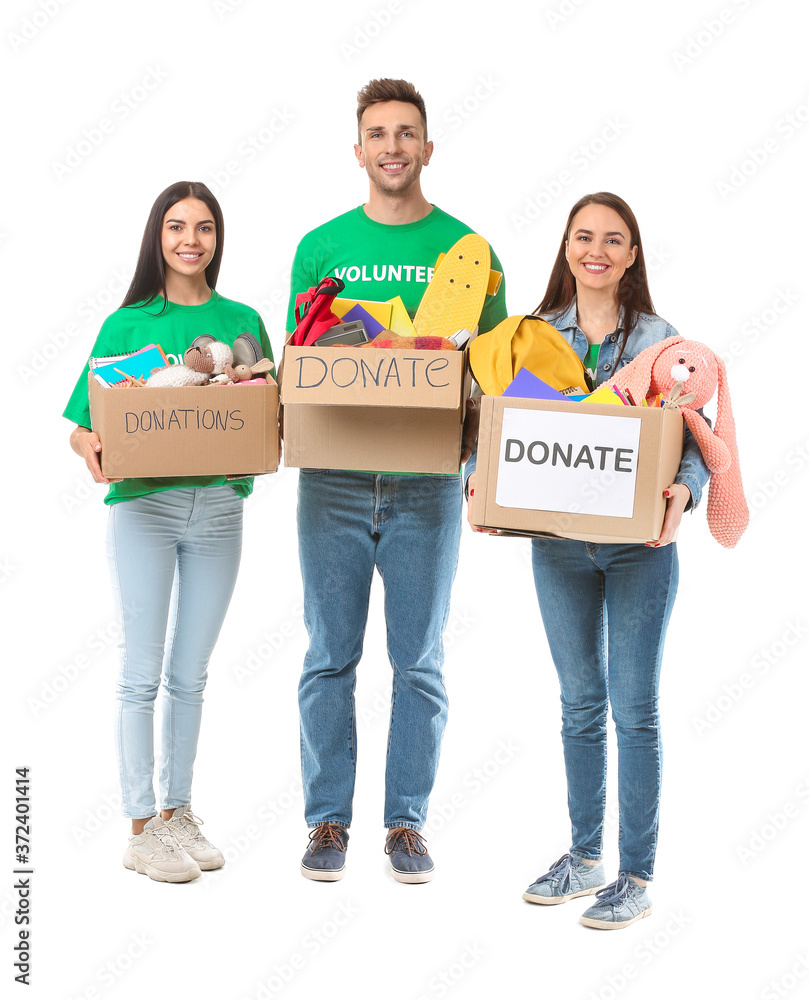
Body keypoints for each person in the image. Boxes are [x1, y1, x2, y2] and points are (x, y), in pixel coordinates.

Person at [286, 78, 507, 883]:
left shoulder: (468, 250)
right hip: (334, 482)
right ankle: (326, 823)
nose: (391, 147)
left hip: (426, 484)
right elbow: (301, 365)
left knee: (418, 660)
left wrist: (483, 474)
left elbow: (497, 377)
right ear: (357, 151)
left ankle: (405, 825)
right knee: (328, 657)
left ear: (427, 147)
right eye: (377, 134)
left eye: (406, 133)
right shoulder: (320, 246)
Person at [469, 192, 709, 927]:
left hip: (639, 551)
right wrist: (476, 483)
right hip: (558, 549)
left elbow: (699, 442)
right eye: (583, 237)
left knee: (632, 710)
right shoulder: (529, 336)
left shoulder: (661, 340)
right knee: (578, 706)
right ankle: (583, 857)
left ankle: (633, 875)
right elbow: (485, 426)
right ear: (566, 248)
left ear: (631, 254)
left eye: (612, 239)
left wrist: (683, 496)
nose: (596, 250)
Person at [64, 181, 274, 883]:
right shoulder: (127, 325)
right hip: (144, 508)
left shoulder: (242, 319)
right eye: (178, 226)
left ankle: (177, 812)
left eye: (204, 227)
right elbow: (80, 422)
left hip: (218, 509)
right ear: (158, 235)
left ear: (218, 238)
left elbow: (266, 406)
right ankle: (138, 826)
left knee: (191, 673)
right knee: (140, 672)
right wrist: (87, 445)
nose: (191, 239)